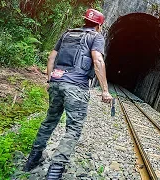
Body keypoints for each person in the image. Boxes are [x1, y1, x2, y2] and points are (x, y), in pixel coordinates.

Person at [23, 9, 113, 179]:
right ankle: (55, 171)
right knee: (73, 128)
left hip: (56, 82)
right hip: (76, 87)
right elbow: (98, 61)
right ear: (99, 25)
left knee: (49, 121)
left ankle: (32, 161)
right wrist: (105, 90)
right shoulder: (96, 37)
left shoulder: (67, 34)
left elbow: (51, 58)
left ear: (84, 20)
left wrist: (50, 81)